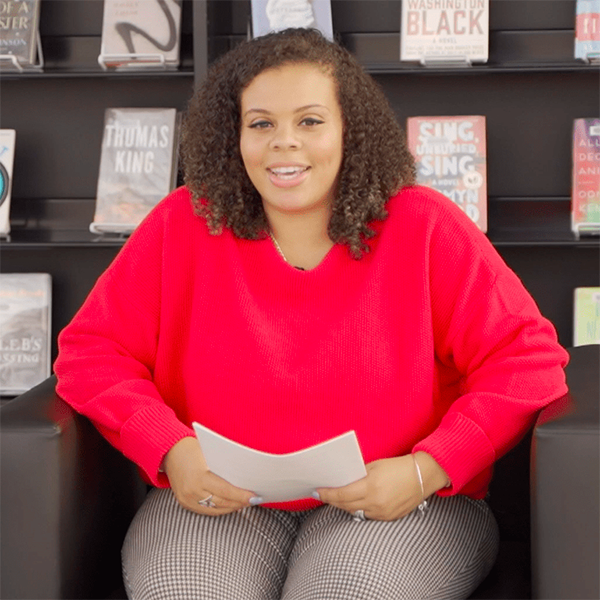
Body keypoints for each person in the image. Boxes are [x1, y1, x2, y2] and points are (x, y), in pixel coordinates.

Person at [54, 28, 569, 600]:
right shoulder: (184, 223)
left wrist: (431, 468)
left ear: (350, 130)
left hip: (405, 501)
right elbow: (91, 352)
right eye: (261, 124)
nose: (284, 143)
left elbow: (527, 361)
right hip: (222, 500)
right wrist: (170, 448)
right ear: (235, 137)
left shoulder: (424, 226)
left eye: (310, 121)